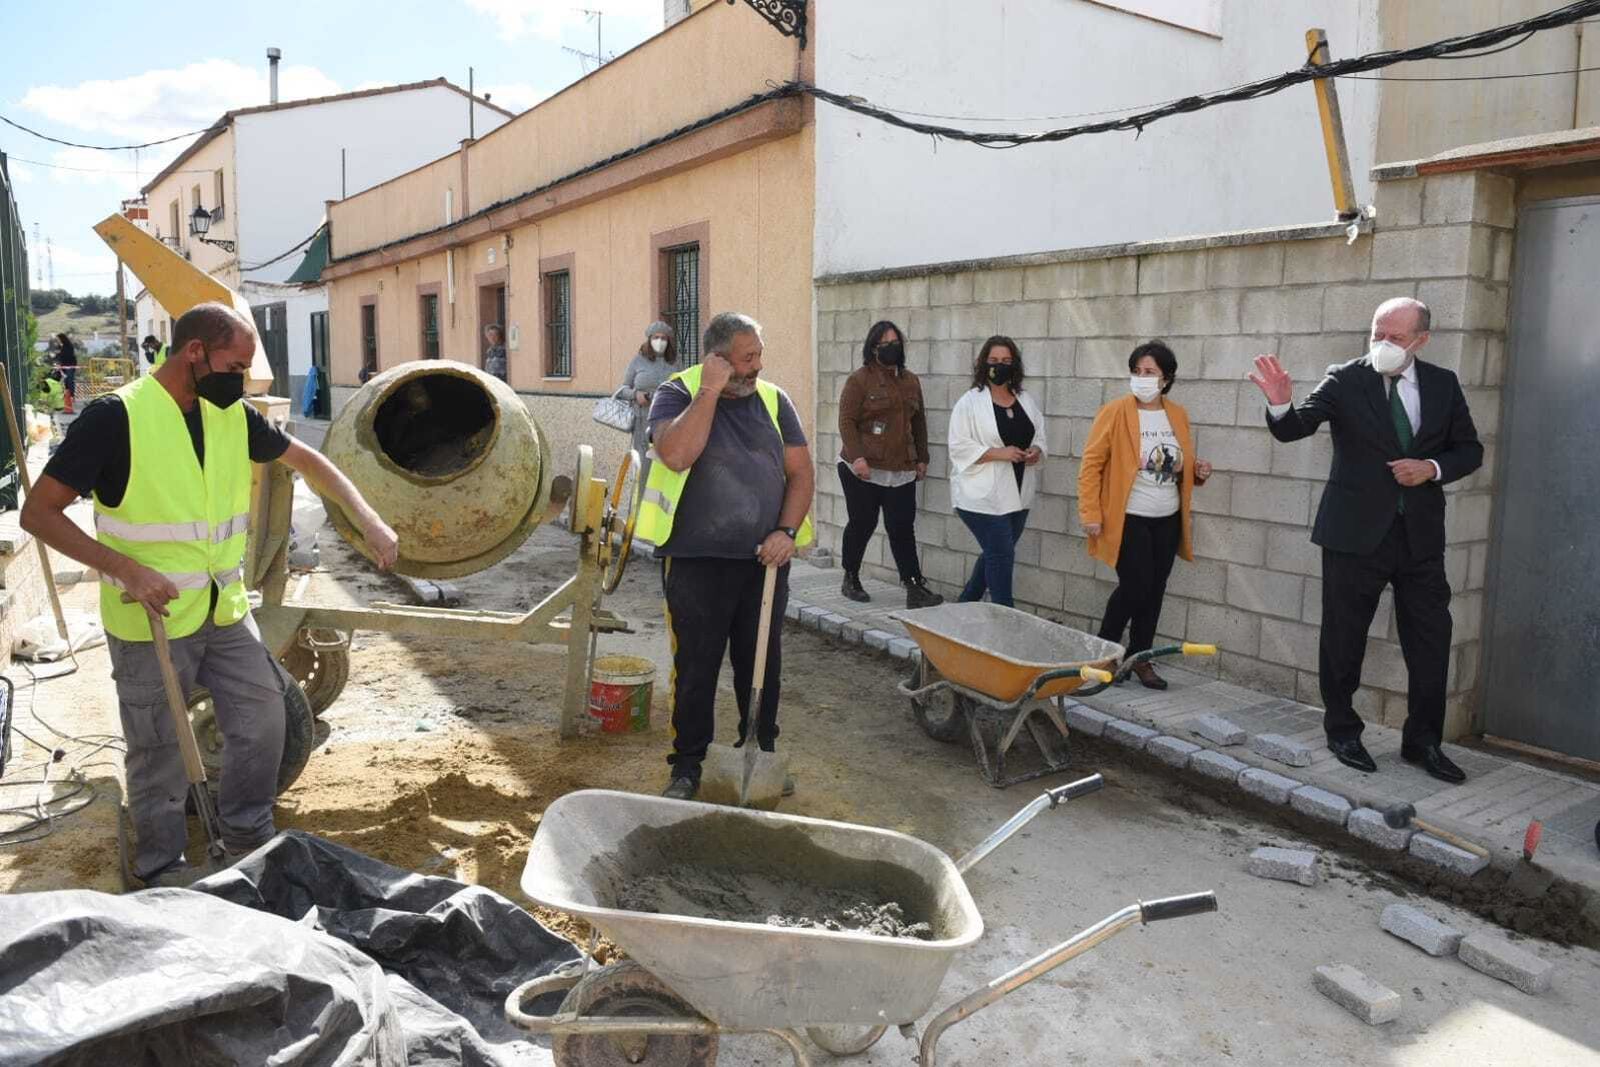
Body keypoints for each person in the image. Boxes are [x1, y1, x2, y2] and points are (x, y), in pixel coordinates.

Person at [20, 302, 400, 886]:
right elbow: (38, 513)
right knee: (159, 752)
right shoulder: (115, 418)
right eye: (235, 365)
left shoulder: (231, 415)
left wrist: (369, 519)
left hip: (224, 608)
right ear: (194, 352)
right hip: (150, 618)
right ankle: (161, 871)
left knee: (264, 716)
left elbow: (310, 459)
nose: (241, 379)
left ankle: (247, 840)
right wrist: (123, 568)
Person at [1249, 297, 1482, 784]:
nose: (1383, 344)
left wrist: (1432, 468)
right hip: (1354, 535)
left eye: (1395, 338)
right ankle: (1342, 731)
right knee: (1343, 637)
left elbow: (1469, 450)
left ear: (1421, 340)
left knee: (1431, 640)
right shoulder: (1346, 377)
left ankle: (1423, 742)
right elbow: (1296, 428)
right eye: (1378, 333)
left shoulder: (1442, 384)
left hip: (1418, 539)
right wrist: (1279, 401)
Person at [636, 311, 814, 801]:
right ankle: (688, 765)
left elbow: (801, 474)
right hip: (695, 559)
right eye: (746, 358)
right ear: (717, 359)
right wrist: (710, 392)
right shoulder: (677, 392)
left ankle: (761, 751)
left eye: (759, 355)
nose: (757, 366)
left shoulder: (776, 401)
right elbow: (675, 454)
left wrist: (786, 531)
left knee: (762, 664)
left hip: (764, 561)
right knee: (695, 666)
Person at [1079, 341, 1212, 689]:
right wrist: (1090, 512)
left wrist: (1196, 472)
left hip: (1166, 517)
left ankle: (1141, 658)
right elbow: (1091, 466)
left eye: (1149, 372)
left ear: (1165, 379)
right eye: (1136, 371)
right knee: (1135, 586)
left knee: (1155, 590)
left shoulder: (1177, 415)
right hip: (1129, 517)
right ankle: (1103, 653)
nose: (1141, 378)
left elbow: (1176, 464)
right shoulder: (1115, 411)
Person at [836, 320, 942, 609]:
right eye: (885, 343)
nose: (892, 347)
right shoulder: (859, 380)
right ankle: (851, 576)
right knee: (863, 523)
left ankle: (914, 586)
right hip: (863, 469)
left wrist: (922, 458)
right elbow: (846, 421)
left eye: (896, 342)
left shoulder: (910, 381)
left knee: (902, 527)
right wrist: (857, 457)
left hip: (901, 469)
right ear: (873, 348)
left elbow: (918, 422)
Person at [947, 336, 1045, 608]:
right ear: (983, 364)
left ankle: (964, 606)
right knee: (1001, 556)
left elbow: (1039, 435)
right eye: (993, 361)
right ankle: (1006, 620)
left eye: (1005, 361)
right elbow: (958, 446)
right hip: (981, 497)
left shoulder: (1025, 399)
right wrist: (999, 454)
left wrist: (1036, 450)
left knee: (996, 553)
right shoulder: (969, 402)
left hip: (1018, 495)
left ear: (1014, 365)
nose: (999, 366)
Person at [615, 320, 680, 481]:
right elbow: (622, 390)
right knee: (643, 468)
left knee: (664, 469)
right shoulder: (638, 361)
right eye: (656, 337)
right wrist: (636, 395)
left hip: (668, 422)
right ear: (649, 339)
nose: (659, 341)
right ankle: (639, 505)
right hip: (642, 421)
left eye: (663, 338)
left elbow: (683, 387)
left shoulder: (676, 362)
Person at [53, 333, 77, 398]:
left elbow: (68, 356)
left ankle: (71, 396)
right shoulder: (63, 346)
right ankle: (68, 396)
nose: (57, 341)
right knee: (66, 381)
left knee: (69, 381)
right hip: (65, 366)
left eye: (58, 339)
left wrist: (60, 353)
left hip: (70, 366)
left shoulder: (68, 346)